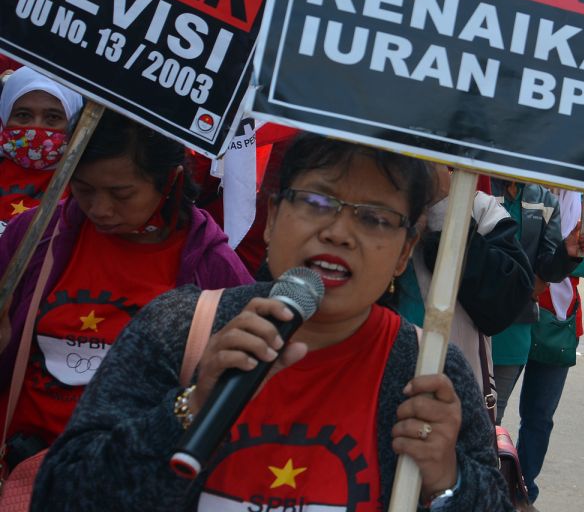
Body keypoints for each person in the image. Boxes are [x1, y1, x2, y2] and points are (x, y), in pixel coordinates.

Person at [32, 134, 510, 510]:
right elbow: (61, 495)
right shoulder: (179, 328)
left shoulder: (426, 372)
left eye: (375, 219)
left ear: (405, 252)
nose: (338, 232)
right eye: (317, 202)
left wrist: (449, 481)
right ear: (273, 217)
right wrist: (189, 408)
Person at [0, 112, 251, 471]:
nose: (99, 209)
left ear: (169, 181)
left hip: (128, 478)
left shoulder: (213, 268)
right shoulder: (36, 235)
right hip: (20, 471)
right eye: (83, 189)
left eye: (121, 193)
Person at [390, 163, 533, 393]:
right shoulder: (364, 201)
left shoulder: (480, 209)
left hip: (454, 400)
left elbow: (506, 301)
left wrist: (444, 208)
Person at [512, 190, 584, 506]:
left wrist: (556, 259)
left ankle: (523, 488)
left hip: (558, 327)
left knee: (539, 417)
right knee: (488, 407)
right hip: (517, 315)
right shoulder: (533, 193)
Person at [488, 178, 579, 423]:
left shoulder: (545, 199)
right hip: (470, 320)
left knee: (490, 419)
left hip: (514, 328)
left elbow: (547, 269)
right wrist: (527, 284)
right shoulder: (476, 183)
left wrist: (567, 254)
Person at [0, 67, 84, 226]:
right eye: (23, 115)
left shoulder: (85, 186)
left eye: (52, 117)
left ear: (73, 123)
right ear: (4, 117)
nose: (35, 128)